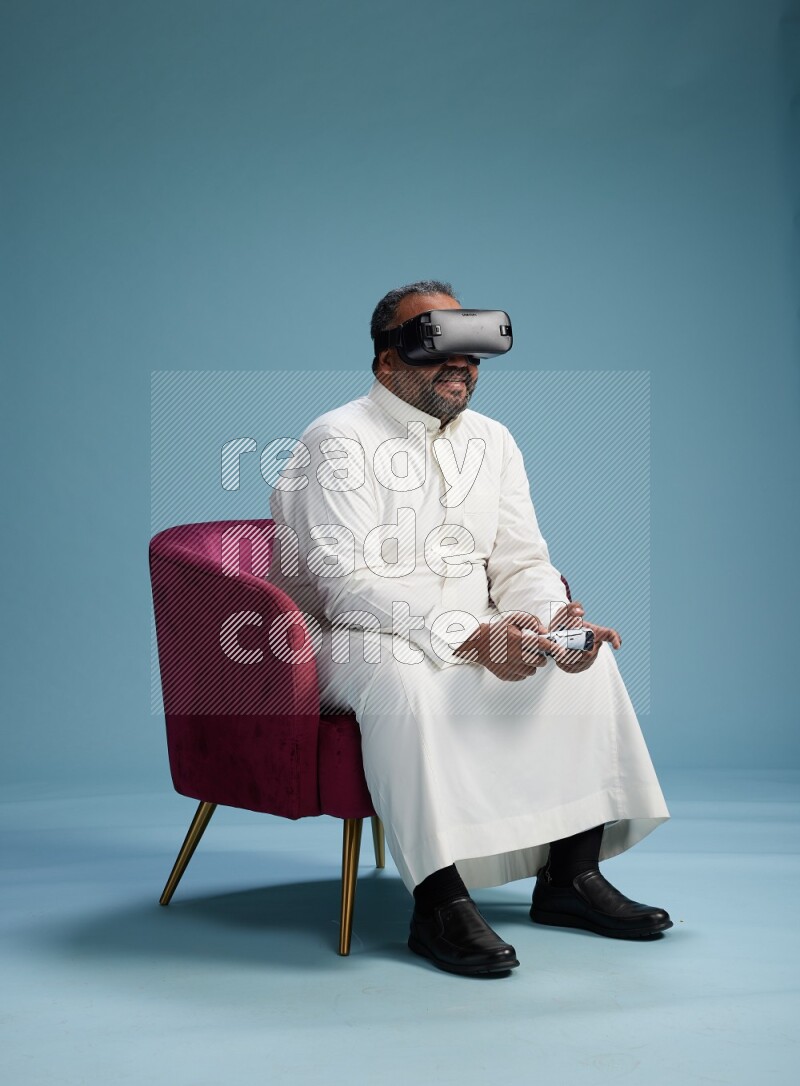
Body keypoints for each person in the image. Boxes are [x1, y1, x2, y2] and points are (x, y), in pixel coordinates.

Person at [268, 280, 671, 976]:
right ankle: (438, 902)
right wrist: (471, 636)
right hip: (346, 636)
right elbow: (347, 585)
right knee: (403, 681)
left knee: (589, 662)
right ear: (386, 360)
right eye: (434, 345)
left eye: (472, 347)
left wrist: (553, 624)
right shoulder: (335, 439)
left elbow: (522, 560)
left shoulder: (496, 441)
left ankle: (571, 877)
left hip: (473, 621)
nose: (460, 363)